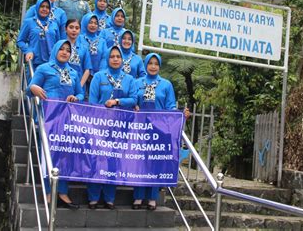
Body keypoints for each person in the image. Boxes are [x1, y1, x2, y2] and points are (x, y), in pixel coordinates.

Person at [28, 39, 84, 209]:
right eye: (62, 49)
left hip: (66, 120)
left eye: (68, 50)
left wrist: (76, 98)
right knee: (47, 156)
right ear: (55, 50)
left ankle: (63, 193)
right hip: (48, 117)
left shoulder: (74, 73)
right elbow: (30, 87)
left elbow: (81, 94)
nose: (65, 52)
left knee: (65, 155)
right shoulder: (44, 68)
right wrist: (33, 88)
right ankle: (48, 192)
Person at [132, 53, 189, 210]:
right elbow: (131, 101)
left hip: (159, 129)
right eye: (150, 63)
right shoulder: (137, 83)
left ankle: (152, 197)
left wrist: (179, 114)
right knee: (139, 162)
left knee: (155, 163)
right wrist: (134, 106)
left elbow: (170, 106)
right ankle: (138, 197)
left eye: (156, 63)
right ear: (145, 64)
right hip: (140, 128)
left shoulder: (166, 84)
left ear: (159, 66)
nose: (153, 66)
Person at [87, 45, 137, 210]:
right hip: (100, 125)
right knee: (97, 159)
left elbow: (134, 99)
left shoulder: (129, 79)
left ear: (122, 60)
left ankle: (109, 198)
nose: (115, 59)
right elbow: (93, 101)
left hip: (120, 126)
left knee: (113, 161)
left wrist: (117, 102)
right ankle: (93, 197)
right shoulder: (99, 76)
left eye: (118, 56)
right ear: (107, 59)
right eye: (112, 56)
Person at [17, 0, 60, 74]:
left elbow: (58, 44)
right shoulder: (29, 22)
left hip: (51, 64)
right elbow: (20, 41)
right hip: (34, 62)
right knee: (32, 85)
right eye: (42, 6)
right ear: (37, 7)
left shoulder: (54, 25)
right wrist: (28, 51)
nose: (44, 9)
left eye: (47, 7)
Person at [80, 13, 108, 83]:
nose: (93, 25)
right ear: (85, 23)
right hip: (81, 75)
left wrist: (99, 75)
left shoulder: (102, 41)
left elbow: (104, 58)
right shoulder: (79, 38)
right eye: (90, 22)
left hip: (97, 77)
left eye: (95, 23)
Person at [65, 18, 92, 88]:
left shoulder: (84, 48)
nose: (74, 30)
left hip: (79, 85)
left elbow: (87, 69)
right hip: (62, 85)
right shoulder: (59, 46)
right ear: (65, 29)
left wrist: (79, 86)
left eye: (77, 28)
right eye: (71, 27)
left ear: (80, 31)